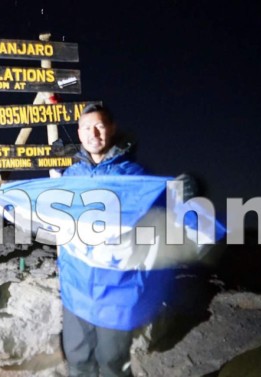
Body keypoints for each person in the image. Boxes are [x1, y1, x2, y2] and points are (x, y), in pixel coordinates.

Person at [60, 104, 196, 376]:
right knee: (77, 358)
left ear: (111, 129)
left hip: (116, 290)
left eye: (98, 126)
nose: (93, 133)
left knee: (112, 360)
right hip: (77, 287)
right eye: (86, 127)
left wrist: (179, 196)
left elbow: (161, 209)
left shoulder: (134, 176)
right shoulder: (70, 176)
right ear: (79, 132)